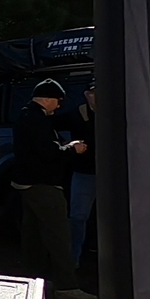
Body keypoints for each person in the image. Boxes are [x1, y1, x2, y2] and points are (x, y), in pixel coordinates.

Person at [12, 78, 97, 299]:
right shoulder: (37, 119)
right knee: (59, 236)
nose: (58, 106)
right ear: (47, 99)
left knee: (33, 237)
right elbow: (49, 152)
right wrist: (72, 148)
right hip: (43, 185)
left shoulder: (26, 114)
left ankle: (34, 281)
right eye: (57, 101)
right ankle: (67, 286)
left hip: (26, 184)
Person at [57, 81, 97, 266]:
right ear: (87, 94)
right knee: (78, 217)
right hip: (85, 173)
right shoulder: (77, 114)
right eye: (92, 92)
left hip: (115, 175)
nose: (95, 96)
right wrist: (66, 147)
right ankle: (72, 261)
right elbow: (49, 125)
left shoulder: (119, 110)